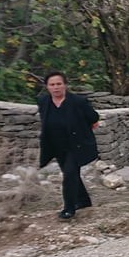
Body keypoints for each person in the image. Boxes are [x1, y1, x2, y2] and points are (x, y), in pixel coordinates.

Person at [37, 71, 100, 220]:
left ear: (65, 85)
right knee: (71, 173)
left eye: (59, 84)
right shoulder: (43, 101)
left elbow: (93, 117)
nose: (56, 87)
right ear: (47, 87)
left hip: (76, 145)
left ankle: (69, 208)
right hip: (56, 145)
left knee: (69, 174)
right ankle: (84, 201)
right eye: (52, 84)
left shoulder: (78, 101)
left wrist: (87, 126)